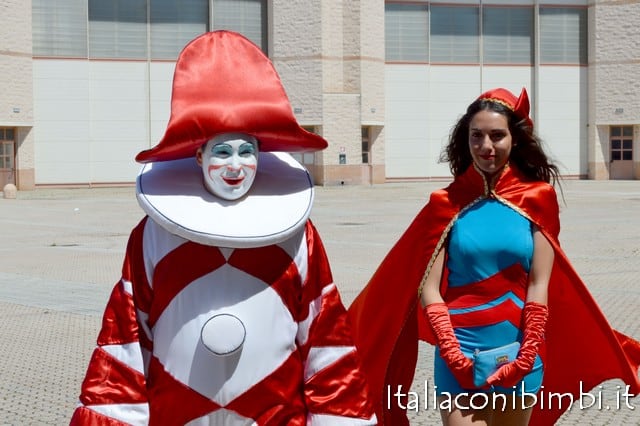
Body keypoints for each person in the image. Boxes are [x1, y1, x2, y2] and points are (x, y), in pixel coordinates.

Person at [71, 30, 376, 425]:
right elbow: (127, 341)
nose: (235, 166)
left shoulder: (300, 235)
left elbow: (324, 338)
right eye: (222, 151)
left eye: (246, 151)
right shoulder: (152, 235)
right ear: (197, 156)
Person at [348, 87, 640, 425]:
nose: (486, 146)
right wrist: (451, 350)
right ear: (466, 139)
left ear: (514, 140)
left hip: (521, 355)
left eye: (497, 135)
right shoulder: (445, 204)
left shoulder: (538, 198)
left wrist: (528, 350)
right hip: (457, 356)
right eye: (477, 136)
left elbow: (539, 283)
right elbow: (428, 288)